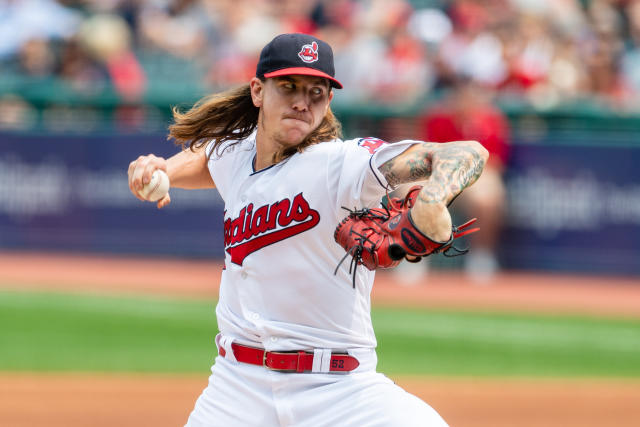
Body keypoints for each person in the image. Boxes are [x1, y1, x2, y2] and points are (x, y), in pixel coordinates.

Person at [128, 33, 488, 427]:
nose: (302, 102)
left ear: (329, 101)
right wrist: (162, 168)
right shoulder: (236, 154)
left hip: (339, 390)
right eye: (288, 87)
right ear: (257, 91)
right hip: (236, 388)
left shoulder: (342, 164)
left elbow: (468, 152)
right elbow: (211, 156)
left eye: (317, 92)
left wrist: (433, 198)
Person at [419, 79, 509, 281]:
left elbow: (495, 163)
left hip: (474, 178)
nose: (465, 100)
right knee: (412, 191)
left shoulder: (490, 120)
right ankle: (415, 255)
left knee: (487, 198)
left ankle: (481, 257)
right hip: (441, 177)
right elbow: (427, 156)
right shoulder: (439, 119)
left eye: (470, 96)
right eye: (461, 96)